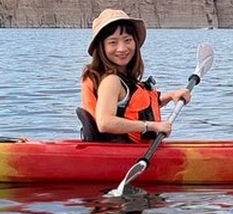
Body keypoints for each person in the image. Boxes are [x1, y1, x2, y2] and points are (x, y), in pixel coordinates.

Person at [78, 9, 191, 143]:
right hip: (121, 154)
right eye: (113, 42)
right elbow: (105, 122)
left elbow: (135, 108)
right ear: (102, 47)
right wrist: (150, 125)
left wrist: (171, 95)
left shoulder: (122, 77)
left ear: (135, 42)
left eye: (127, 40)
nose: (122, 48)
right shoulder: (111, 81)